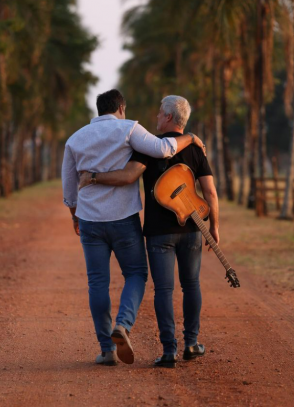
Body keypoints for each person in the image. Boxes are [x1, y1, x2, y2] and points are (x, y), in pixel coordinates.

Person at [61, 89, 205, 366]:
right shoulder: (129, 129)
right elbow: (165, 148)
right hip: (123, 219)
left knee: (97, 283)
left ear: (98, 109)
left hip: (90, 219)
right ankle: (123, 324)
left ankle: (106, 350)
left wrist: (75, 216)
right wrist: (192, 138)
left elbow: (69, 190)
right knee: (137, 274)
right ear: (121, 108)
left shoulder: (75, 139)